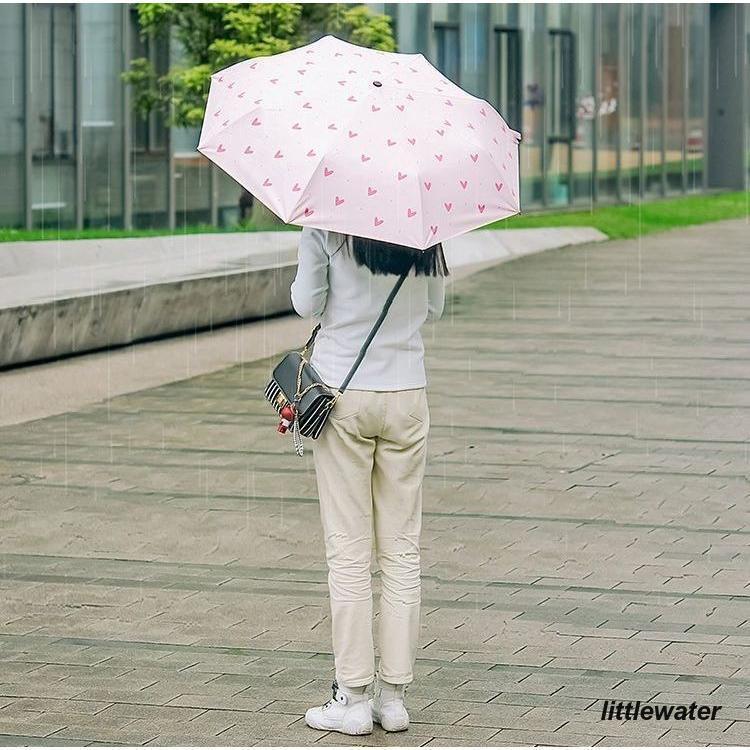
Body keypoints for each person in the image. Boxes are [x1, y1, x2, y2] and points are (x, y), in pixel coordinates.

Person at [290, 228, 447, 736]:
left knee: (349, 550)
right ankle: (394, 698)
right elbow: (436, 308)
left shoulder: (325, 224)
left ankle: (352, 698)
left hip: (344, 394)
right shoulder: (428, 227)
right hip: (406, 392)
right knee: (401, 549)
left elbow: (305, 303)